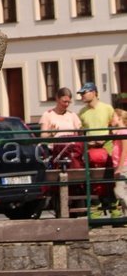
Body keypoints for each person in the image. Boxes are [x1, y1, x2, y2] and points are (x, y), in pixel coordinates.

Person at [78, 81, 117, 217]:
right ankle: (95, 212)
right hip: (90, 150)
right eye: (81, 93)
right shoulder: (82, 113)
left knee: (110, 179)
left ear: (94, 93)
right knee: (93, 180)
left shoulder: (107, 108)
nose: (82, 95)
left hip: (107, 149)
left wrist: (104, 138)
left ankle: (115, 211)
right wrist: (88, 142)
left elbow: (115, 127)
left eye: (84, 93)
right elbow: (80, 132)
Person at [40, 87, 82, 169]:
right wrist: (51, 134)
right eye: (64, 101)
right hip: (55, 152)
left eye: (68, 102)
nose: (66, 104)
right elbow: (43, 136)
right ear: (57, 99)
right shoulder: (47, 115)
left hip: (71, 151)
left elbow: (79, 133)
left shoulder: (72, 115)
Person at [111, 108, 127, 216]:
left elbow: (125, 149)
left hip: (123, 166)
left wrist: (120, 167)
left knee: (119, 191)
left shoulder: (123, 132)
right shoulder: (119, 132)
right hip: (119, 165)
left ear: (120, 118)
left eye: (114, 116)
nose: (111, 119)